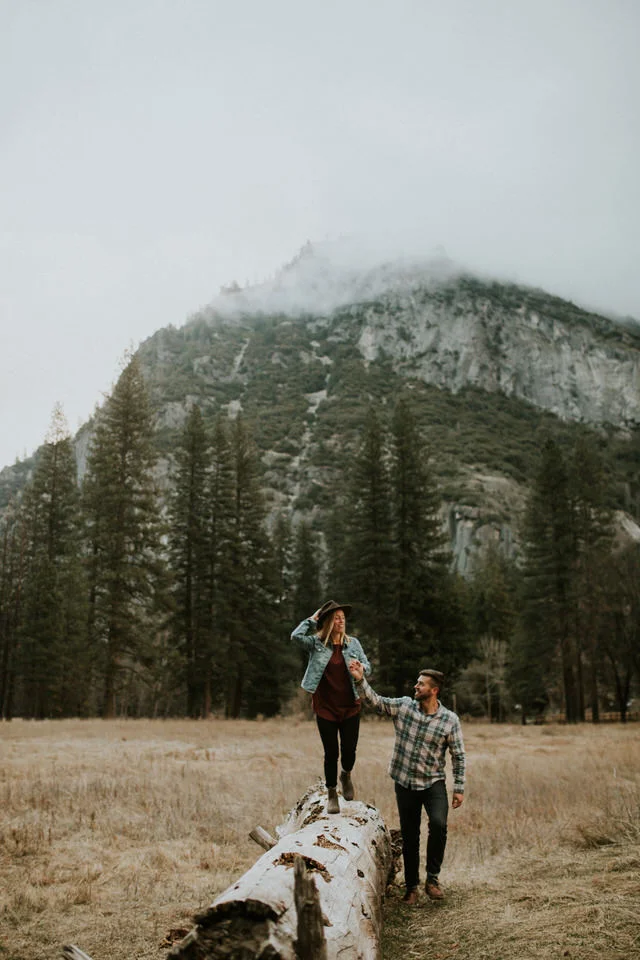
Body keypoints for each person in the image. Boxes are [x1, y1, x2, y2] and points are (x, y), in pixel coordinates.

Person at [348, 661, 465, 904]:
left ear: (433, 690)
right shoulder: (404, 707)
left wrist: (459, 788)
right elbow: (376, 702)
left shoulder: (449, 720)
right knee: (410, 835)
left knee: (439, 824)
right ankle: (411, 887)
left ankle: (432, 879)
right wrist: (360, 680)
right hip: (404, 783)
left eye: (420, 684)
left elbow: (458, 755)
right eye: (417, 682)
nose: (416, 686)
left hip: (433, 783)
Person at [291, 600, 372, 814]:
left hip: (350, 706)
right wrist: (312, 620)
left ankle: (345, 774)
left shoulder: (353, 643)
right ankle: (331, 792)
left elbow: (368, 666)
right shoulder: (317, 643)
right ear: (327, 621)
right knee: (331, 752)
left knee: (349, 751)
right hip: (326, 707)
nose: (341, 621)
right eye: (336, 617)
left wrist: (362, 668)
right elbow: (295, 637)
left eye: (343, 618)